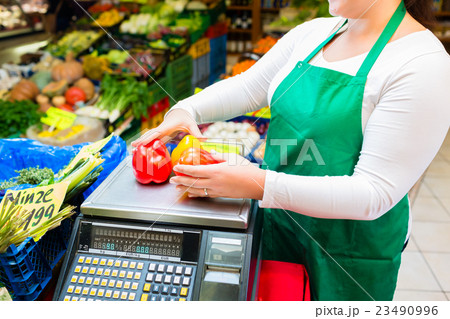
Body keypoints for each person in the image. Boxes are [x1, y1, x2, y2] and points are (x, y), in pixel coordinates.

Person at [132, 0, 450, 301]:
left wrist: (256, 183)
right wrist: (185, 111)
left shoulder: (423, 64)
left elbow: (374, 193)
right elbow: (248, 86)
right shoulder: (315, 34)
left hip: (347, 254)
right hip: (280, 229)